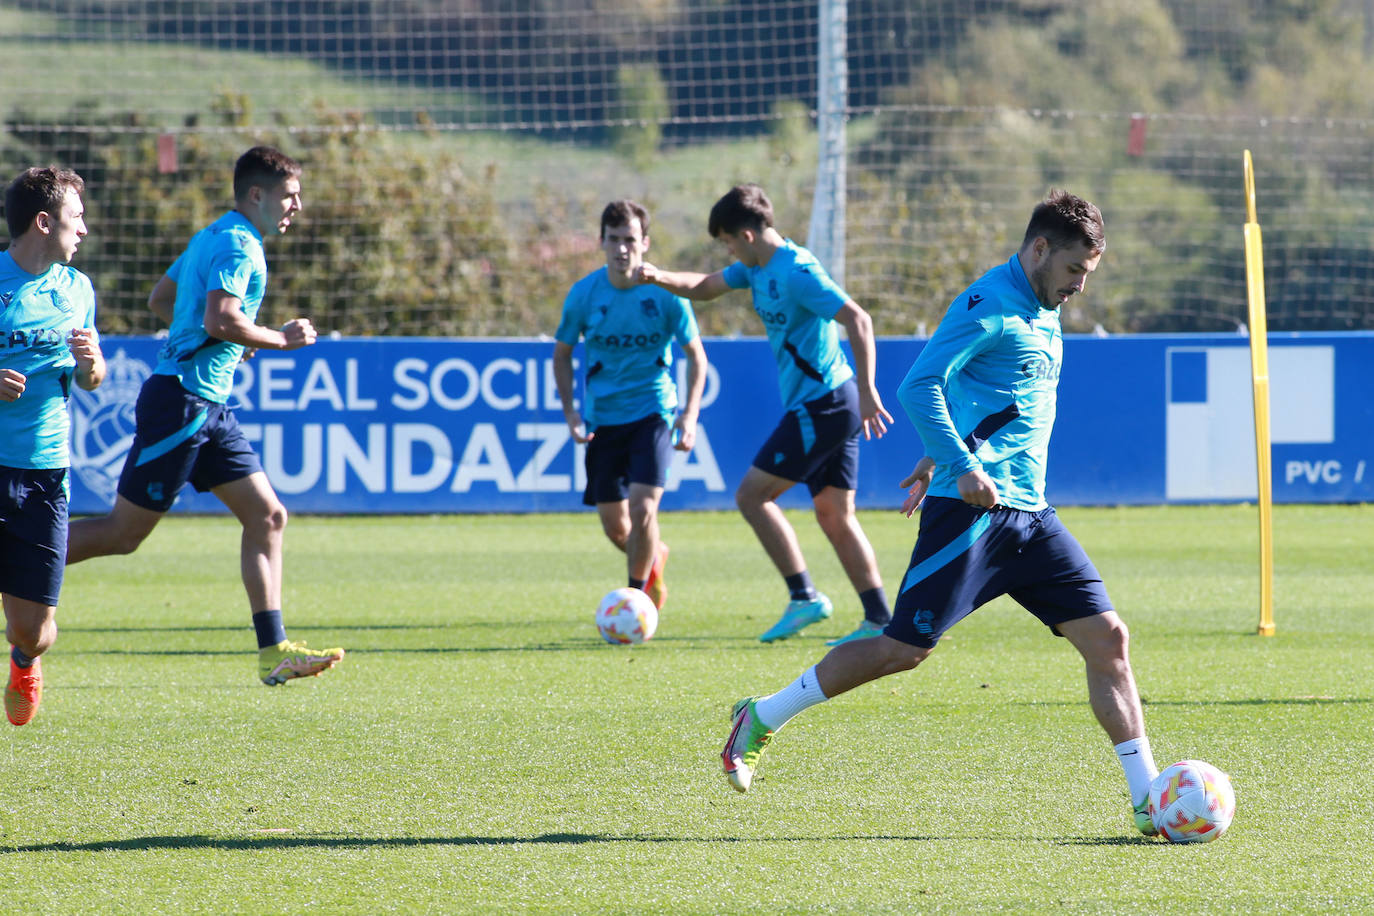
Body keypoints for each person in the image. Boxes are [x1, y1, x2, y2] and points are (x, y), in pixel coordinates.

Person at [720, 190, 1163, 837]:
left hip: (1031, 516)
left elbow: (985, 398)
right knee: (900, 650)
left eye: (1087, 274)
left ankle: (1147, 797)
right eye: (1073, 271)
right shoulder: (988, 303)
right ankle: (761, 716)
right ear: (1039, 249)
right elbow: (919, 383)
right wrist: (956, 467)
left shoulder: (1046, 307)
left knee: (1109, 641)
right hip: (973, 515)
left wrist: (937, 457)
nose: (1078, 287)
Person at [66, 146, 344, 687]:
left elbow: (161, 299)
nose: (297, 206)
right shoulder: (242, 246)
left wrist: (220, 339)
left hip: (206, 403)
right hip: (183, 404)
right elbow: (222, 318)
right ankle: (17, 564)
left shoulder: (213, 234)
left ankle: (274, 651)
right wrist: (278, 339)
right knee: (123, 535)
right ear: (257, 195)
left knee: (268, 516)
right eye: (289, 195)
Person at [637, 183, 894, 645]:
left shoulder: (796, 271)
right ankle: (878, 619)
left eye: (729, 242)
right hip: (828, 404)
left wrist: (869, 390)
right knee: (834, 513)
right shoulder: (755, 269)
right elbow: (704, 286)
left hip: (826, 403)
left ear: (748, 236)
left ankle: (804, 597)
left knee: (752, 496)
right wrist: (656, 276)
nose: (728, 251)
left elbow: (858, 318)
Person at [553, 199, 708, 609]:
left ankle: (635, 602)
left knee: (643, 509)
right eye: (615, 240)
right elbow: (562, 353)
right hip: (603, 419)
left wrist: (689, 415)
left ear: (645, 243)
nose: (623, 249)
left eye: (631, 240)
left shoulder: (666, 296)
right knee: (617, 528)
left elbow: (696, 356)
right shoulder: (584, 295)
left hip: (653, 413)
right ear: (601, 242)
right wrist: (570, 412)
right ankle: (653, 558)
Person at [0, 166, 106, 725]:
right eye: (76, 217)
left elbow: (93, 380)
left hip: (43, 472)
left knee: (35, 631)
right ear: (44, 222)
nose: (84, 229)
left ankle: (23, 660)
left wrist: (93, 366)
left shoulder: (77, 288)